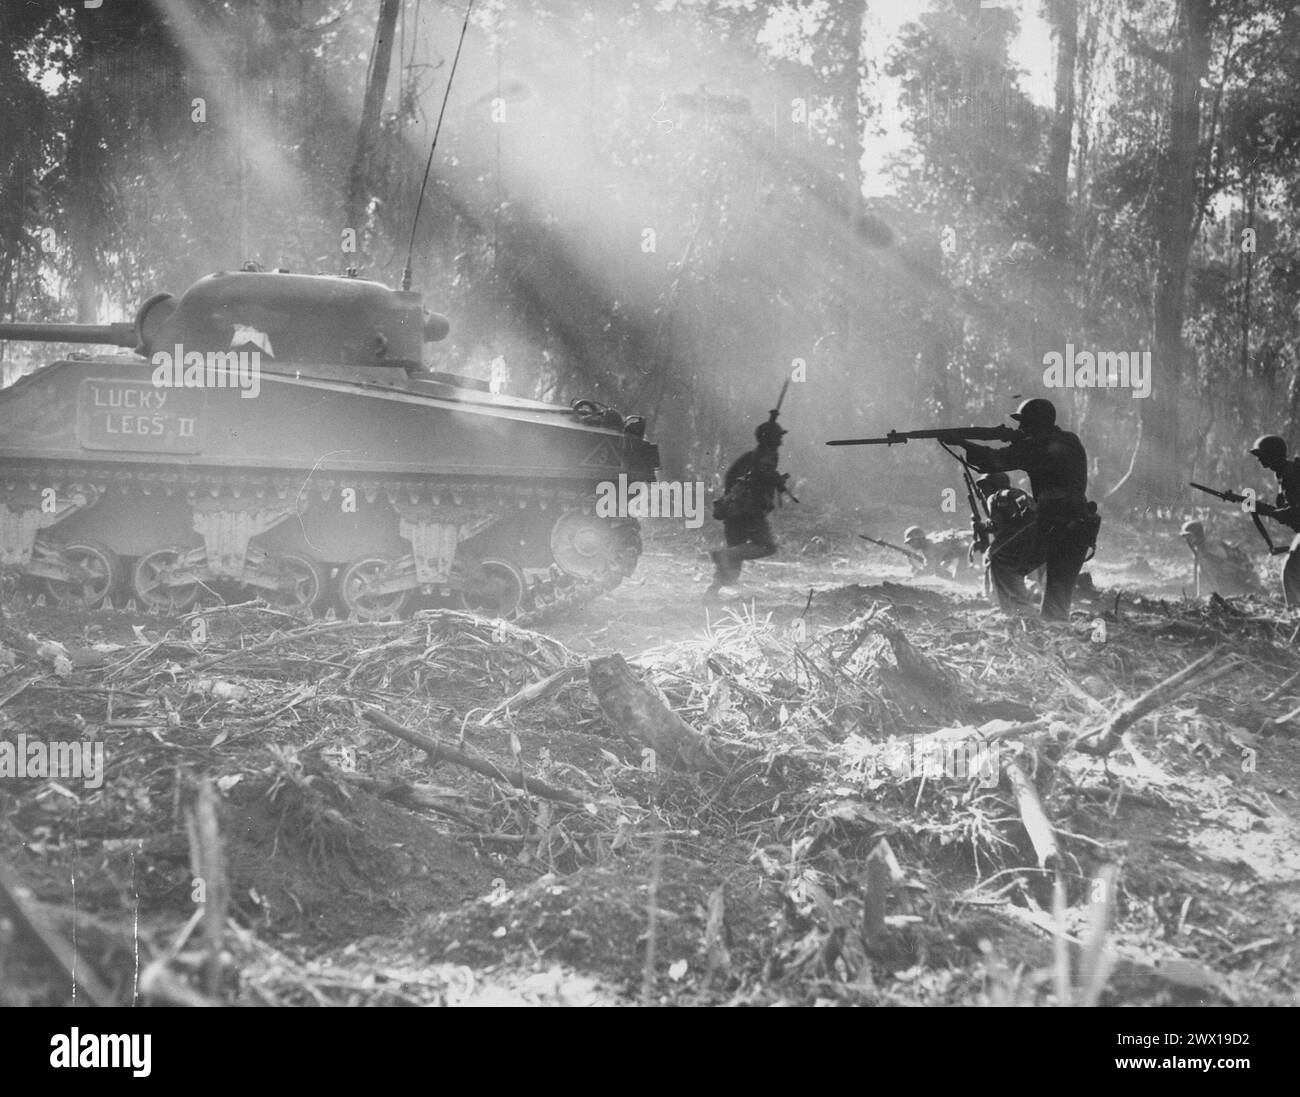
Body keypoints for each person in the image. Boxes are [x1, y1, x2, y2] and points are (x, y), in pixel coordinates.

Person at [953, 397, 1100, 620]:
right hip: (1080, 525)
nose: (1021, 428)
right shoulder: (1069, 441)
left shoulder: (1038, 447)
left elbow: (994, 461)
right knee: (1057, 599)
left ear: (1037, 424)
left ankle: (1020, 617)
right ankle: (1052, 632)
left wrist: (963, 443)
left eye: (1025, 423)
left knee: (1001, 559)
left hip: (1052, 525)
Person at [707, 421, 788, 595]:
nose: (780, 441)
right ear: (770, 439)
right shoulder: (765, 456)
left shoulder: (752, 457)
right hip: (750, 512)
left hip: (734, 511)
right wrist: (776, 480)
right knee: (766, 546)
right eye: (778, 437)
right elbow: (762, 475)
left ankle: (712, 592)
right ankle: (725, 556)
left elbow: (735, 478)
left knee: (734, 556)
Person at [1245, 434, 1300, 605]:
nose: (1259, 459)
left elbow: (1294, 512)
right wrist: (1266, 509)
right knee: (1291, 571)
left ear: (1273, 455)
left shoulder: (1291, 474)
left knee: (1290, 572)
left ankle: (1294, 612)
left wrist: (1267, 511)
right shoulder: (1284, 473)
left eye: (1262, 455)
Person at [972, 471, 1037, 608]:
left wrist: (980, 526)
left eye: (985, 487)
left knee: (992, 557)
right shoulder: (1020, 493)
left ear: (994, 486)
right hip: (1037, 540)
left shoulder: (994, 498)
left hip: (1015, 540)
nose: (982, 491)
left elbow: (996, 525)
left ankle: (994, 597)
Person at [1179, 520, 1258, 598]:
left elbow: (1228, 564)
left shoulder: (1210, 547)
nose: (1188, 540)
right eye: (1186, 537)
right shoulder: (1199, 549)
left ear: (1198, 535)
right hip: (1224, 583)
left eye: (1190, 537)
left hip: (1234, 582)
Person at [903, 525, 972, 578]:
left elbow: (929, 571)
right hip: (966, 543)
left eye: (912, 541)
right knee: (941, 570)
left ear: (919, 539)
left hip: (968, 546)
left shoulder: (929, 549)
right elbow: (944, 555)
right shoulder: (929, 540)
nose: (910, 545)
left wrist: (912, 564)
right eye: (909, 543)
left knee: (959, 578)